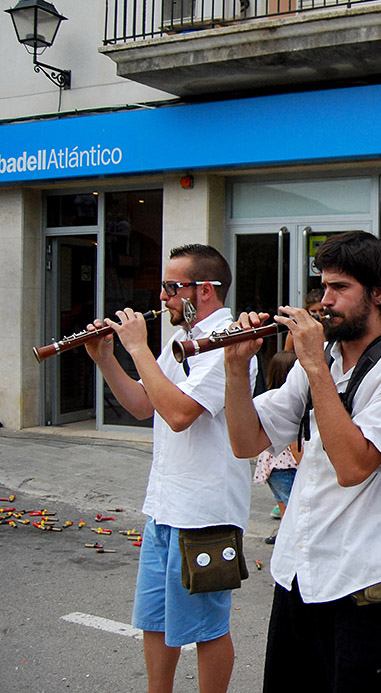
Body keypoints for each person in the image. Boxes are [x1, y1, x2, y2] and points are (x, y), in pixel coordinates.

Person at [223, 231, 381, 692]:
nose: (324, 301)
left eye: (340, 288)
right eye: (323, 287)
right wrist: (237, 369)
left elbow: (354, 465)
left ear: (378, 293)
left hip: (366, 577)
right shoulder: (324, 357)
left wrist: (315, 365)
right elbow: (246, 440)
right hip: (300, 566)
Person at [84, 244, 255, 693]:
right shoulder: (179, 343)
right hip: (164, 506)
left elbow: (180, 415)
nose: (161, 297)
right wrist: (105, 358)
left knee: (206, 628)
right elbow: (144, 404)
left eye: (170, 287)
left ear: (202, 291)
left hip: (205, 513)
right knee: (155, 621)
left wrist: (137, 347)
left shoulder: (227, 342)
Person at [251, 350, 300, 544]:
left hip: (271, 465)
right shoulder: (290, 405)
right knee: (293, 507)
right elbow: (296, 443)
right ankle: (289, 539)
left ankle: (283, 535)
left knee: (282, 504)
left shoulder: (270, 399)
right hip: (287, 465)